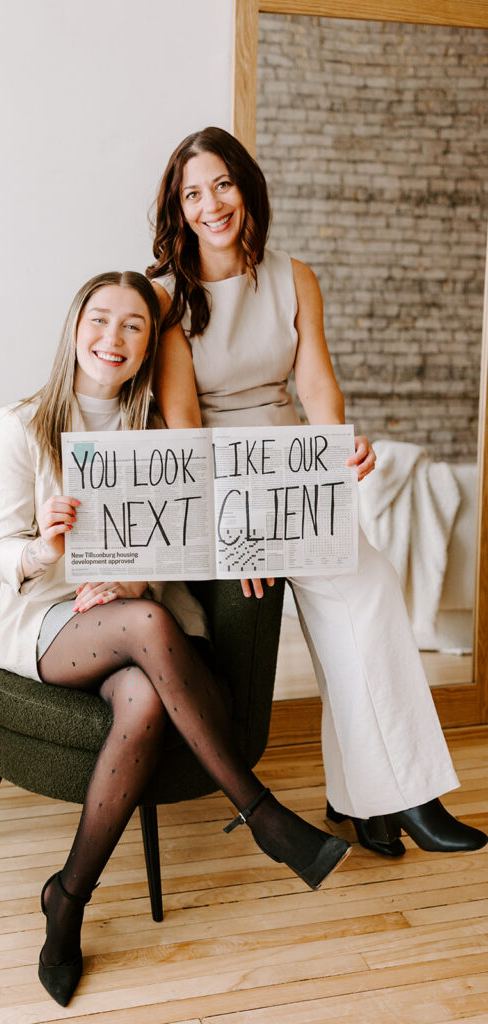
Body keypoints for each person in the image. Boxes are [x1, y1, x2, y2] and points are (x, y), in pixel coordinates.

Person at [0, 270, 350, 1006]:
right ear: (73, 325)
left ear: (150, 344)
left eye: (133, 327)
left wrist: (134, 582)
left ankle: (68, 899)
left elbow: (179, 539)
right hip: (51, 618)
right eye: (100, 320)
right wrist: (46, 549)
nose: (112, 338)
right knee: (148, 625)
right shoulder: (21, 424)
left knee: (144, 700)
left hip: (132, 612)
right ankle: (261, 813)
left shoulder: (154, 431)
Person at [147, 127, 487, 861]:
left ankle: (383, 799)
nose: (211, 204)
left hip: (294, 471)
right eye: (193, 193)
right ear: (178, 207)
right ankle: (387, 802)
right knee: (357, 606)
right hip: (224, 483)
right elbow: (183, 429)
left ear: (247, 188)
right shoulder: (166, 297)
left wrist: (338, 446)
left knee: (364, 600)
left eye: (223, 185)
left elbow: (314, 385)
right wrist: (227, 532)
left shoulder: (294, 276)